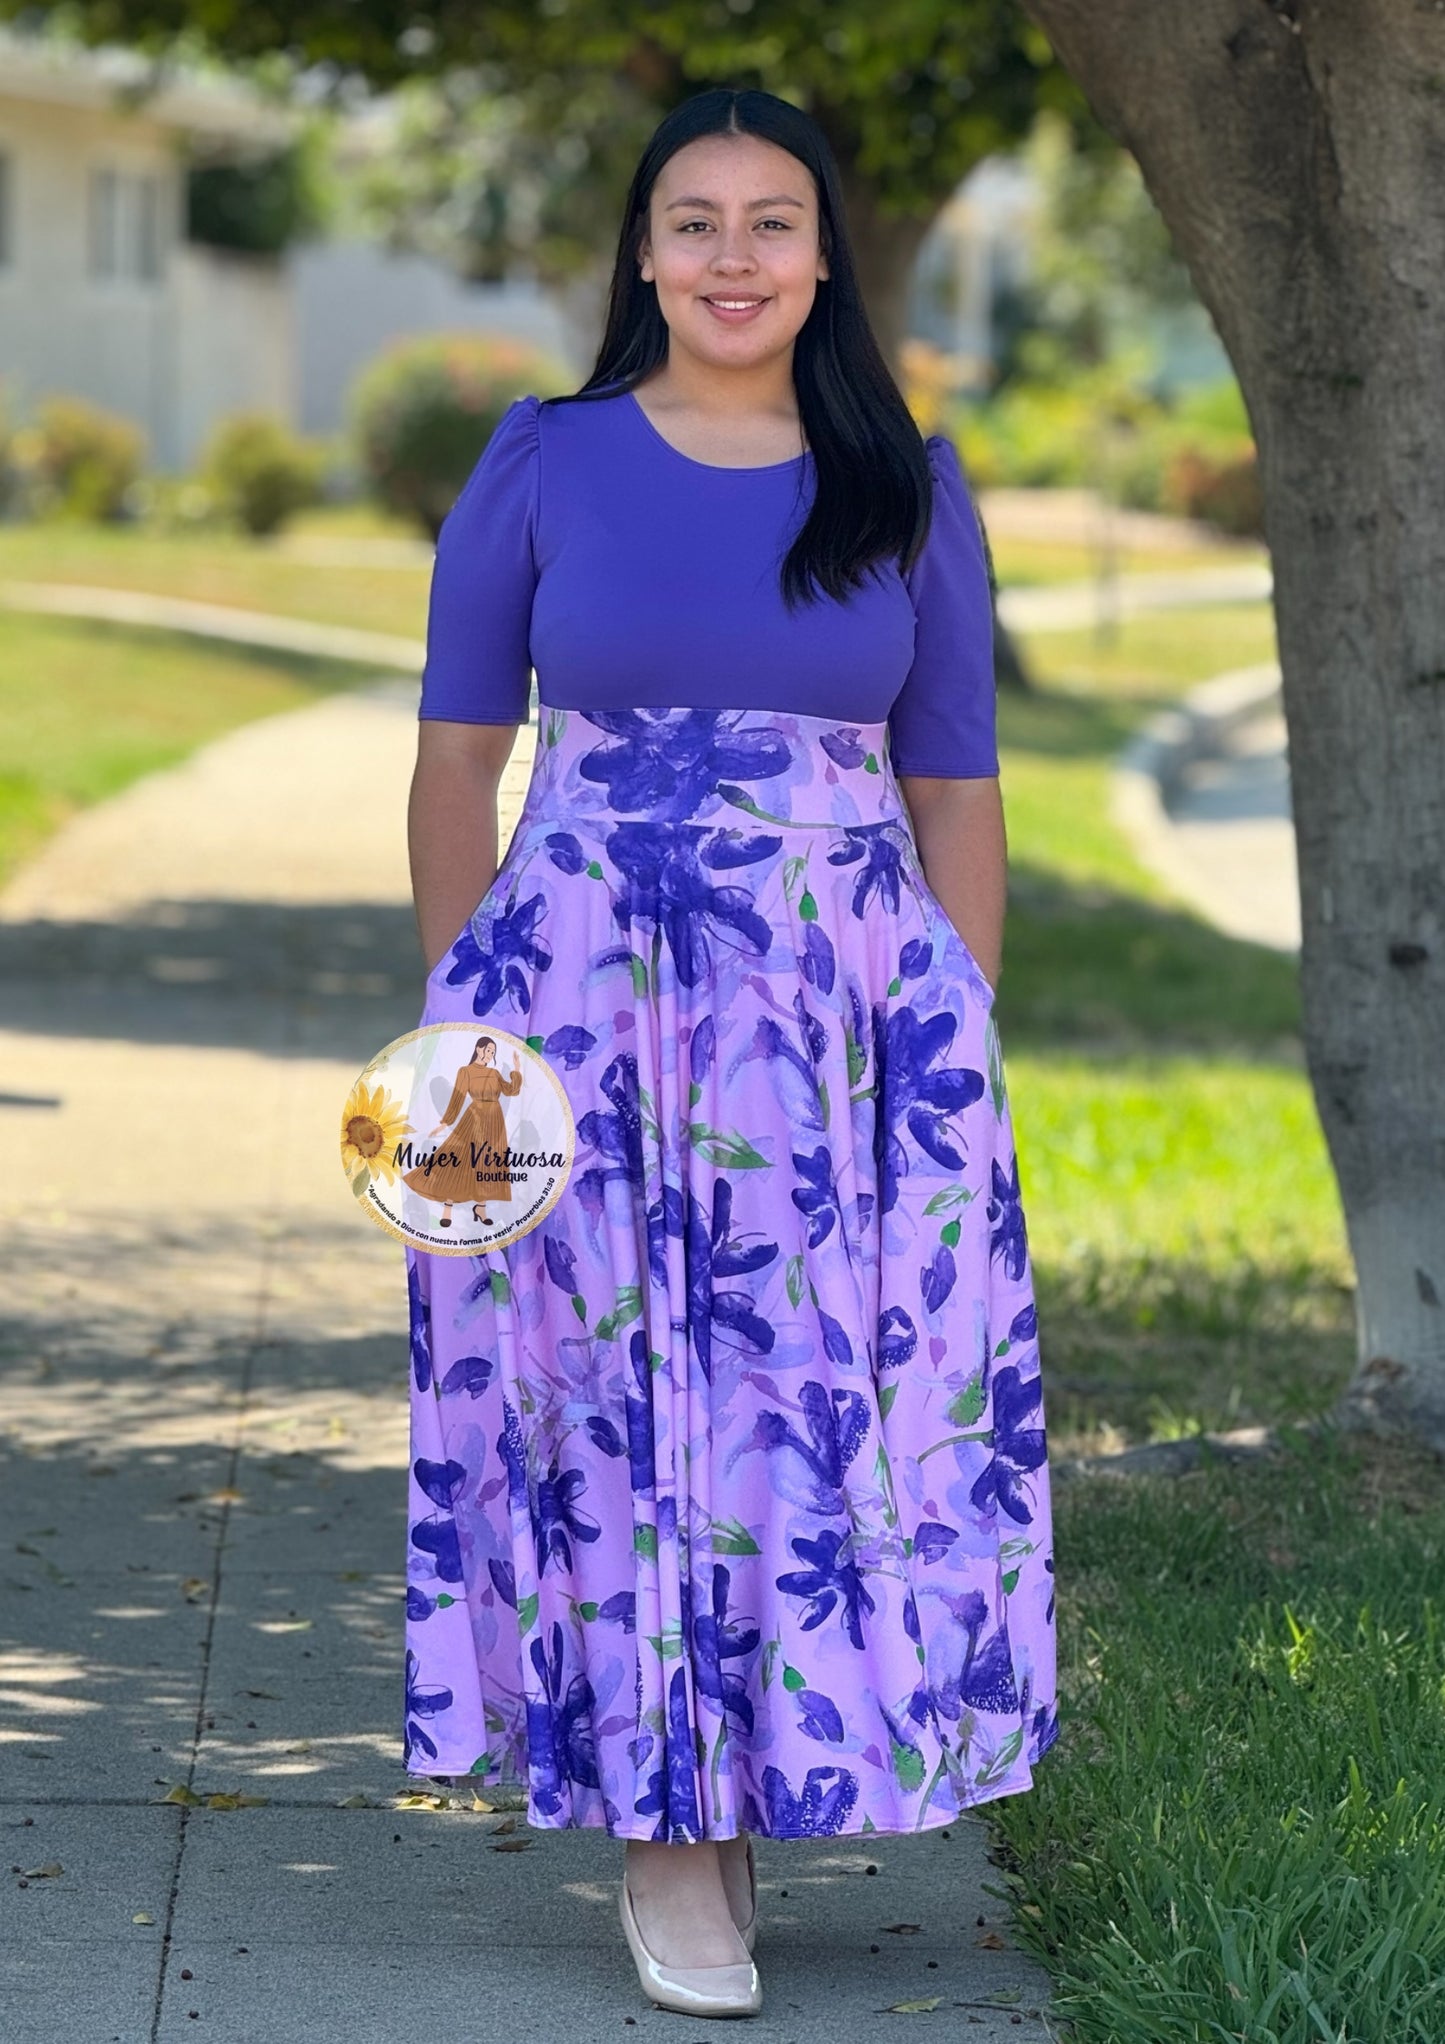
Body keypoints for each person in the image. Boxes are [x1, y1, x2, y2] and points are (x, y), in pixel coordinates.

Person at [404, 85, 1057, 2022]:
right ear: (641, 252)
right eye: (693, 221)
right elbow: (455, 766)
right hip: (575, 1001)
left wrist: (958, 1033)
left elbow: (957, 785)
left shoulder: (904, 483)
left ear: (824, 254)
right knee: (615, 1403)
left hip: (839, 1026)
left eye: (773, 221)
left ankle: (739, 1760)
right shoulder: (541, 462)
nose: (733, 257)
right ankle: (668, 1837)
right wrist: (464, 1040)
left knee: (797, 1403)